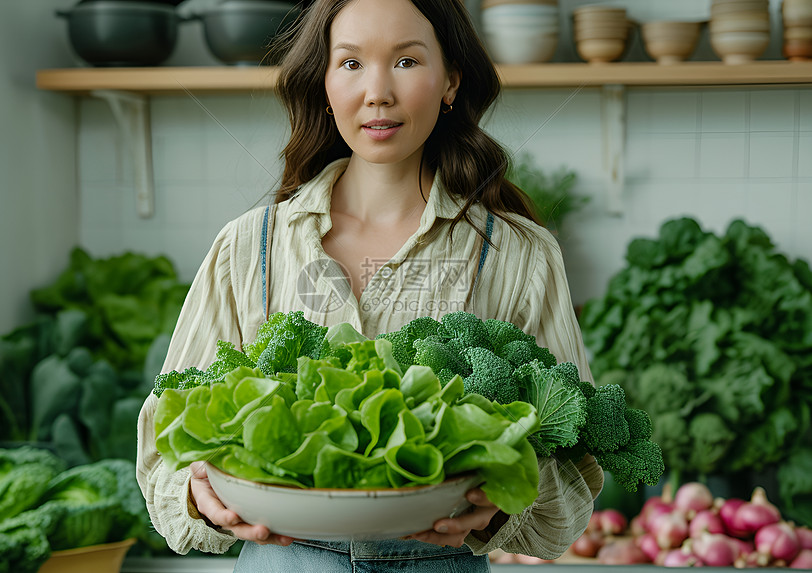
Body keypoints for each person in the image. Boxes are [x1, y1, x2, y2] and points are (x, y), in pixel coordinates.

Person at [136, 0, 605, 570]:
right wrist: (198, 495)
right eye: (351, 63)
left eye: (406, 62)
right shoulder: (247, 247)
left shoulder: (520, 256)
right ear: (326, 83)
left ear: (451, 80)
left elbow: (574, 473)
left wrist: (502, 507)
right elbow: (164, 448)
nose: (377, 91)